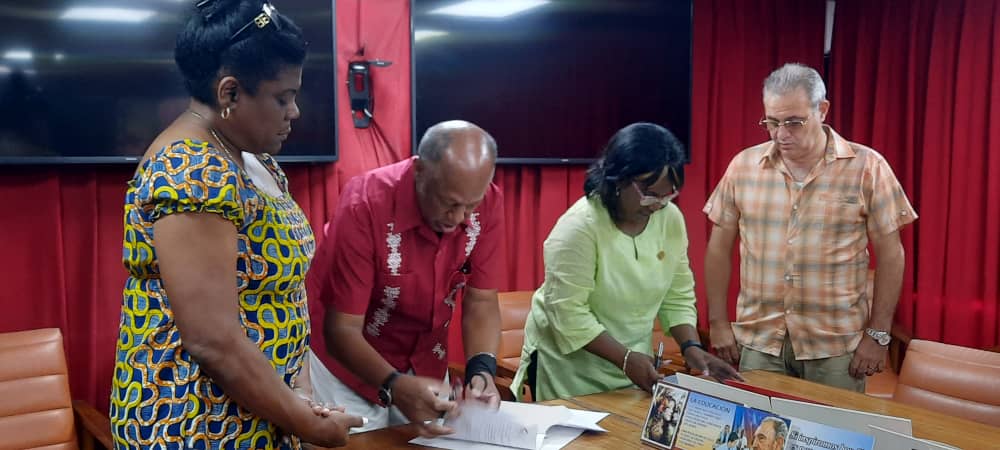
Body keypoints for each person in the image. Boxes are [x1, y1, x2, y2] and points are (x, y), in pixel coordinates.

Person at [109, 1, 363, 448]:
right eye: (282, 97)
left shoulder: (248, 155)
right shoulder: (193, 170)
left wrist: (299, 391)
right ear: (229, 93)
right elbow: (213, 340)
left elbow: (283, 295)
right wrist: (310, 425)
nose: (295, 112)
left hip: (259, 410)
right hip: (196, 424)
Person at [704, 63, 918, 392]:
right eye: (771, 122)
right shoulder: (743, 166)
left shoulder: (867, 167)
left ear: (822, 110)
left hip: (834, 348)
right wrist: (718, 322)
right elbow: (719, 247)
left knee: (834, 442)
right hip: (761, 343)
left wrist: (878, 334)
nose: (781, 134)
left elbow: (892, 255)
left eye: (793, 122)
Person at [509, 123, 741, 403]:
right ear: (618, 180)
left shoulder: (670, 220)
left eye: (667, 195)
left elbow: (677, 294)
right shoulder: (579, 227)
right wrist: (626, 358)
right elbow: (568, 314)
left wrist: (691, 346)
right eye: (649, 194)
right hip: (569, 370)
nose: (657, 204)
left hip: (632, 365)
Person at [307, 120, 505, 436]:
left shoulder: (489, 202)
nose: (458, 219)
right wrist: (394, 385)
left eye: (471, 206)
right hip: (347, 363)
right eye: (450, 204)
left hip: (424, 361)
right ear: (420, 172)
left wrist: (481, 372)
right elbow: (341, 328)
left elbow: (481, 300)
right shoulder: (366, 203)